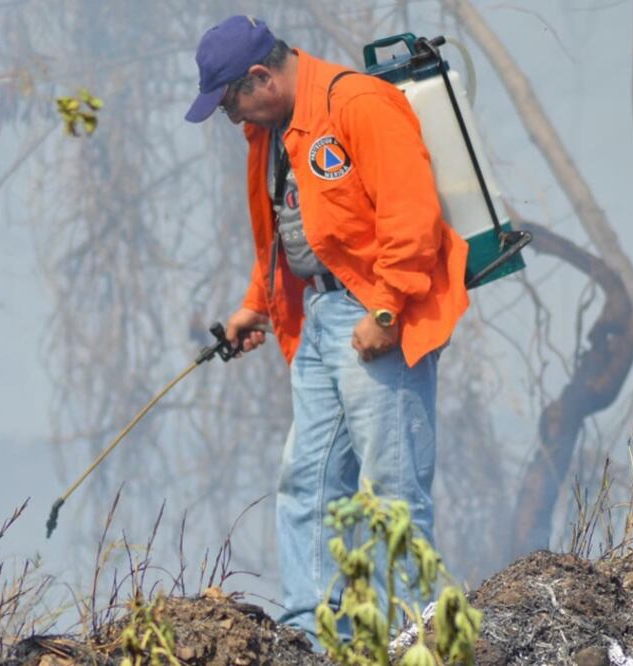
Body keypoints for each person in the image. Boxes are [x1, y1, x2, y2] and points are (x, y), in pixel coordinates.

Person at [184, 15, 470, 642]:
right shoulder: (272, 131)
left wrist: (387, 310)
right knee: (306, 479)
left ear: (260, 76)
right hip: (318, 316)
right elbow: (292, 228)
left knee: (392, 482)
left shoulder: (358, 103)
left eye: (231, 103)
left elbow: (412, 215)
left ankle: (422, 634)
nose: (233, 119)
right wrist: (256, 305)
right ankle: (310, 636)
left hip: (373, 313)